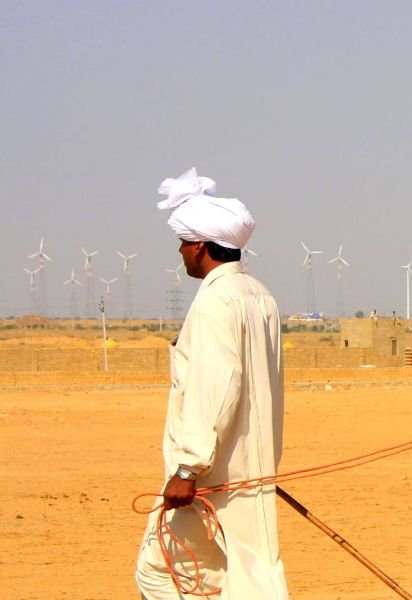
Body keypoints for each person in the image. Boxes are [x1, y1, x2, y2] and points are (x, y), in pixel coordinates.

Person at [136, 168, 289, 598]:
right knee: (246, 572)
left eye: (183, 244)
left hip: (210, 473)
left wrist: (188, 468)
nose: (181, 253)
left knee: (162, 572)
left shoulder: (214, 303)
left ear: (200, 246)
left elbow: (217, 387)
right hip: (250, 465)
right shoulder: (259, 295)